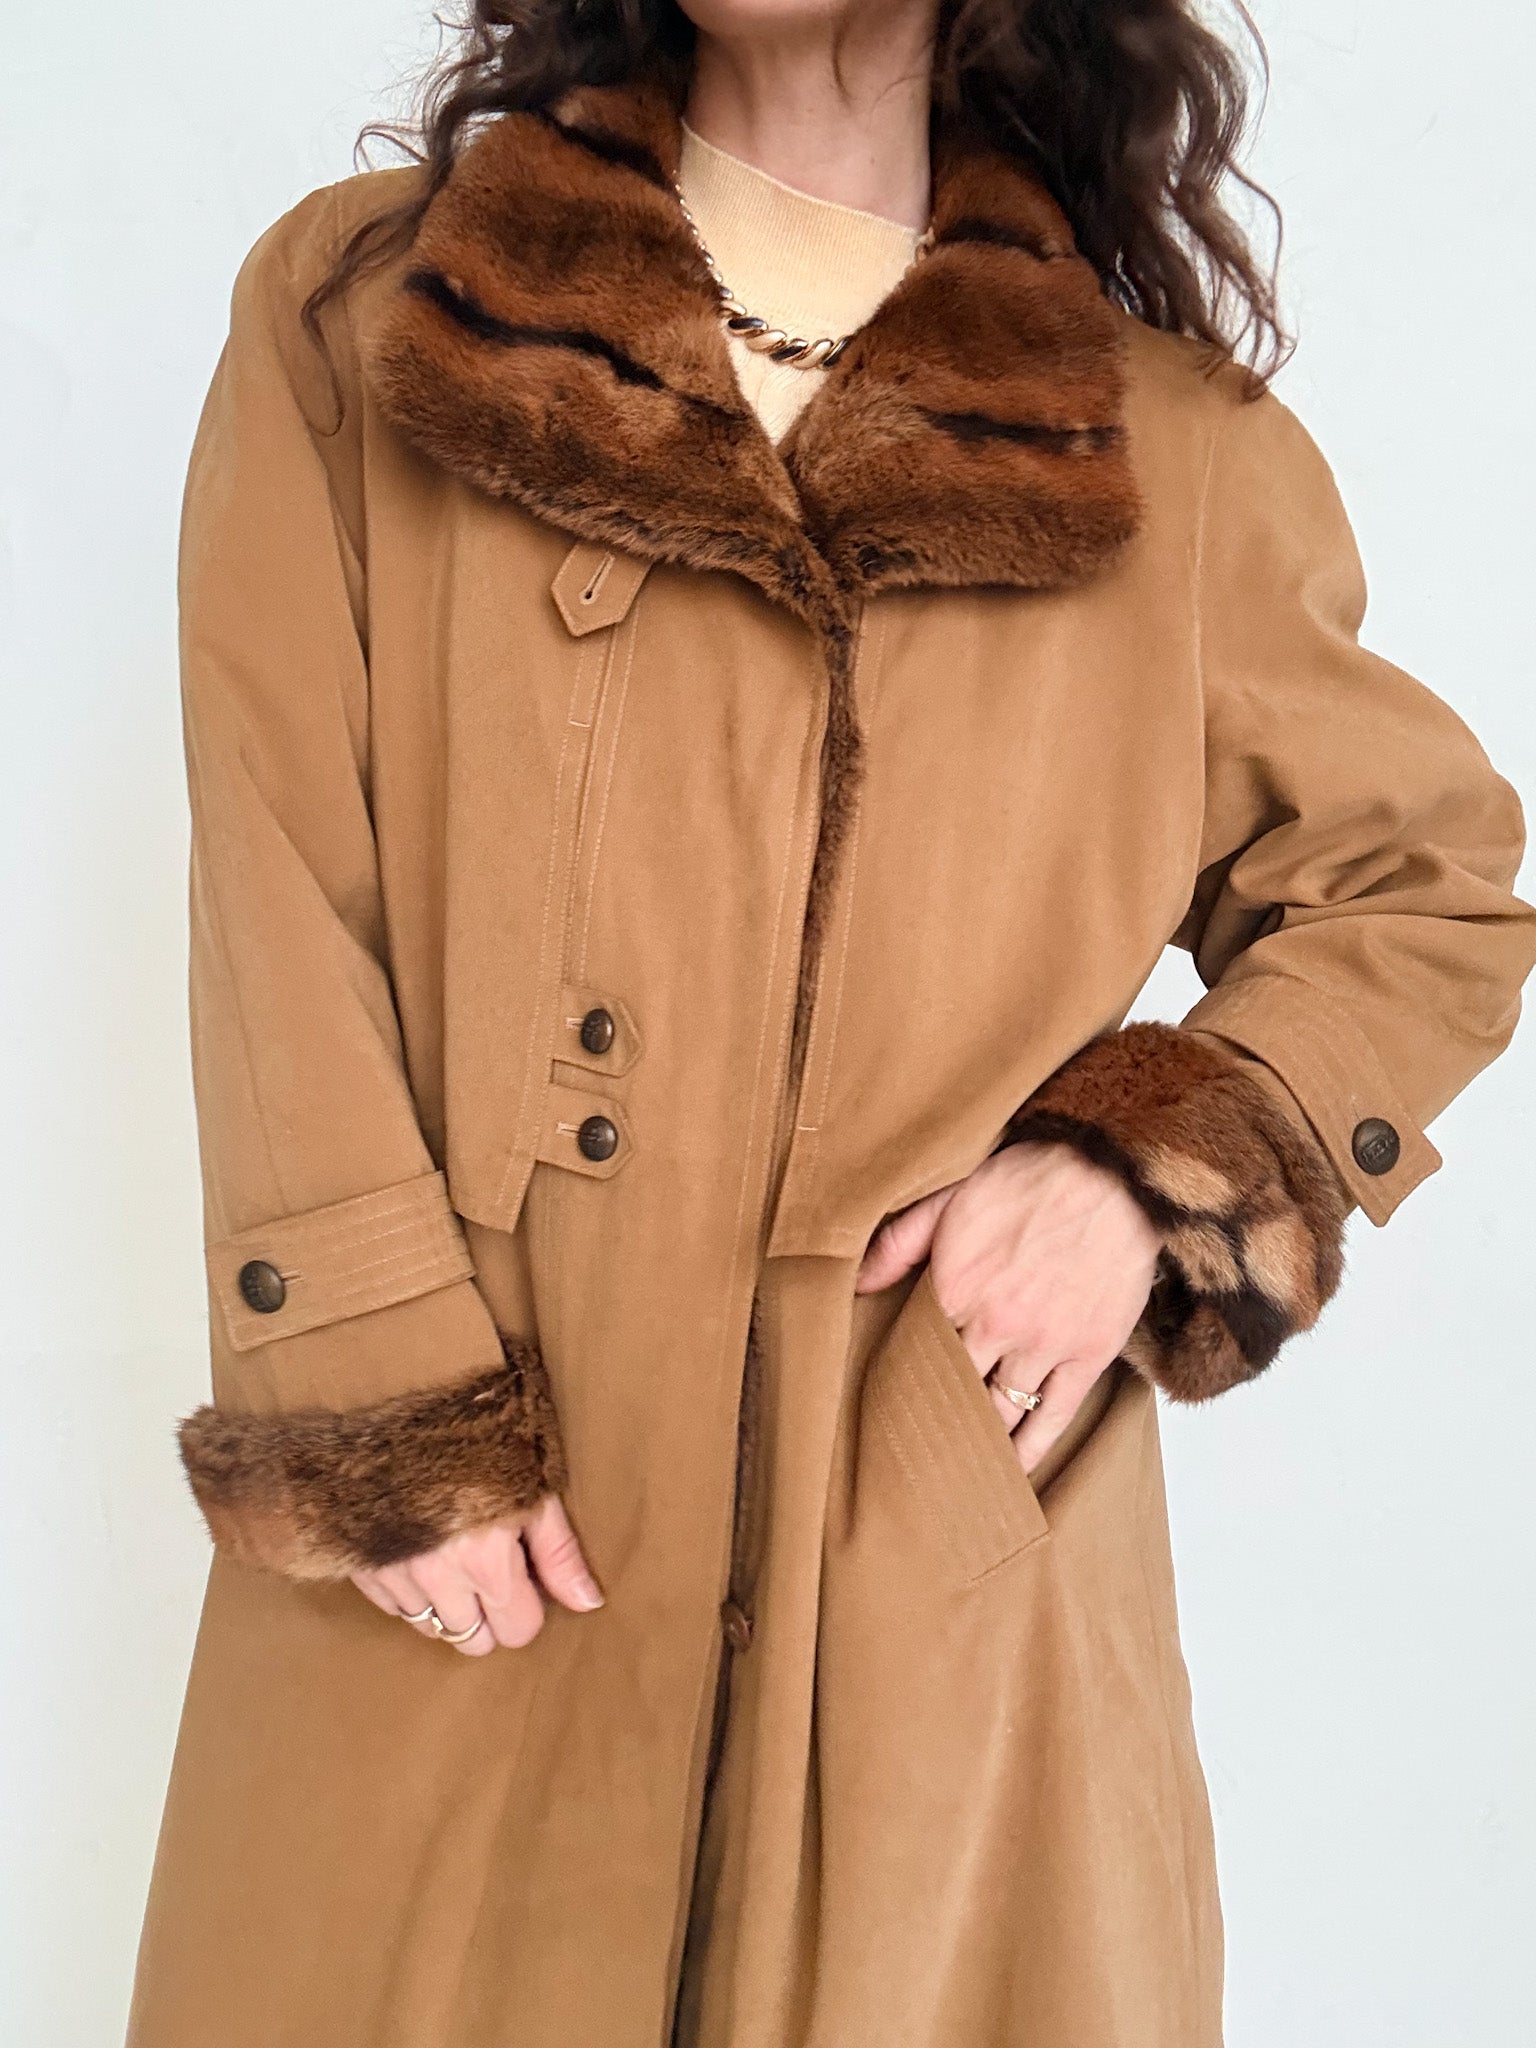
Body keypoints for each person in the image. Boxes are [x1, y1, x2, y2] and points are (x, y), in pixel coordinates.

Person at [127, 2, 1534, 2044]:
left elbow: (1426, 884)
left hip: (928, 1605)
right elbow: (274, 867)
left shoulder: (1170, 451)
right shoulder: (380, 315)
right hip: (466, 1555)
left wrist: (1131, 1175)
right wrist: (374, 1393)